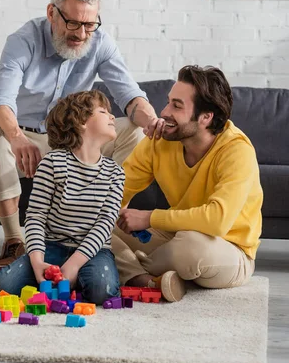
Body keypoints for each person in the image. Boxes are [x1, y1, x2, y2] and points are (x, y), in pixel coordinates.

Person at [0, 0, 163, 266]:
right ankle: (15, 241)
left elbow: (129, 95)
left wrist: (151, 119)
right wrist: (16, 137)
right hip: (28, 136)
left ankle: (108, 227)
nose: (81, 33)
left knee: (136, 132)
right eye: (74, 23)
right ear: (52, 13)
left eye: (89, 25)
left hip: (76, 141)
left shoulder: (100, 43)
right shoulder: (23, 41)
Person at [112, 65, 263, 303]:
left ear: (206, 117)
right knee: (97, 227)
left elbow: (216, 221)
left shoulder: (237, 150)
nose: (163, 112)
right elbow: (118, 188)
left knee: (192, 248)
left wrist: (149, 218)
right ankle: (147, 279)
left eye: (177, 106)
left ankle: (122, 268)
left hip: (228, 249)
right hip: (173, 235)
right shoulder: (162, 140)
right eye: (169, 102)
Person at [0, 89, 124, 305]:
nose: (112, 116)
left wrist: (74, 265)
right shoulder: (52, 163)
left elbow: (106, 224)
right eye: (103, 111)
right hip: (51, 246)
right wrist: (37, 261)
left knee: (103, 292)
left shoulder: (116, 172)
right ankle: (31, 273)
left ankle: (70, 279)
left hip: (92, 251)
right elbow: (36, 217)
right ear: (81, 122)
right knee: (0, 287)